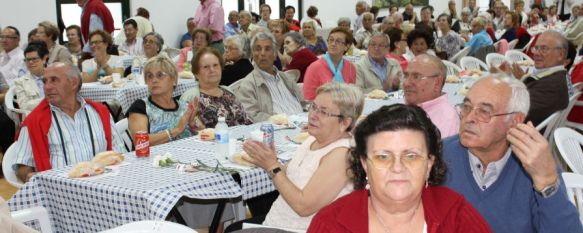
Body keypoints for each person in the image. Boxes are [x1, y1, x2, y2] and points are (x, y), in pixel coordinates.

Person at [308, 104, 492, 232]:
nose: (397, 167)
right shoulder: (331, 224)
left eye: (411, 156)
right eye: (383, 157)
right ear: (365, 164)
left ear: (429, 164)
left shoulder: (455, 214)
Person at [443, 74, 583, 233]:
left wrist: (547, 183)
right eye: (466, 107)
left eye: (484, 111)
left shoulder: (535, 167)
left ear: (515, 121)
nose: (469, 118)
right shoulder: (440, 154)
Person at [227, 82, 363, 231]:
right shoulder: (313, 139)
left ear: (345, 122)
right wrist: (268, 160)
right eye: (313, 107)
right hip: (277, 222)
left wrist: (272, 166)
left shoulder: (342, 155)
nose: (313, 115)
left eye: (323, 112)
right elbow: (295, 174)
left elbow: (303, 206)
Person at [14, 62, 126, 182]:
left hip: (105, 185)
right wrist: (32, 178)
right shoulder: (34, 122)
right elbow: (22, 166)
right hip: (60, 192)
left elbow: (119, 153)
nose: (47, 87)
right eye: (45, 81)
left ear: (73, 83)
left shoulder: (100, 113)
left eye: (54, 80)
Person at [499, 31, 570, 125]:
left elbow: (514, 112)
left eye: (544, 49)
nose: (536, 53)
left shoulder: (552, 85)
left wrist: (503, 79)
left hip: (517, 132)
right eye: (536, 48)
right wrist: (521, 79)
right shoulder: (557, 76)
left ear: (560, 55)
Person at [127, 56, 198, 146]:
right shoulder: (141, 106)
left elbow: (203, 132)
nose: (154, 80)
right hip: (155, 159)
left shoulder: (185, 106)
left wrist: (193, 124)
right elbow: (140, 142)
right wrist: (176, 130)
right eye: (149, 76)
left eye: (160, 75)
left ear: (174, 80)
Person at [232, 32, 303, 122]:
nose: (262, 53)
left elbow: (302, 102)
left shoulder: (286, 78)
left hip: (304, 123)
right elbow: (253, 115)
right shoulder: (247, 85)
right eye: (258, 49)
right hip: (277, 130)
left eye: (267, 49)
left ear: (274, 54)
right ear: (253, 54)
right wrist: (280, 121)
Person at [180, 47, 253, 128]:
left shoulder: (228, 91)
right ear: (196, 73)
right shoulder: (191, 97)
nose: (212, 70)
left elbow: (247, 121)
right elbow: (185, 131)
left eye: (215, 65)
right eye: (206, 67)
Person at [403, 54, 459, 138]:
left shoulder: (445, 121)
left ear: (437, 83)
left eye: (416, 77)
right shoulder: (409, 108)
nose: (406, 83)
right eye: (406, 75)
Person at [303, 27, 356, 101]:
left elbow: (352, 95)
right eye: (331, 40)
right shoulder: (314, 67)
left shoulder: (350, 67)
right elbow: (308, 99)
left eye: (338, 41)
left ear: (346, 47)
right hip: (321, 109)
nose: (333, 44)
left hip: (345, 108)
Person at [13, 41, 48, 112]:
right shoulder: (20, 82)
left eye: (34, 59)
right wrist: (49, 99)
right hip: (36, 116)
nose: (30, 62)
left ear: (44, 59)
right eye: (28, 60)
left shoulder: (55, 77)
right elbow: (24, 106)